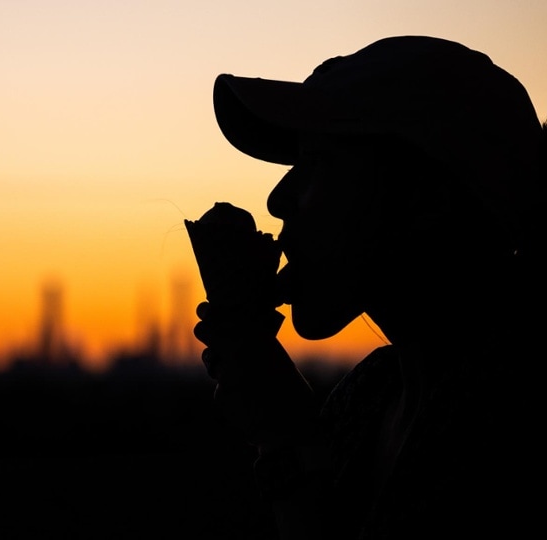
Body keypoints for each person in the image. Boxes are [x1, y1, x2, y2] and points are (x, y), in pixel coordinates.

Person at [191, 36, 546, 539]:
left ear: (427, 198)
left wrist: (286, 439)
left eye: (316, 161)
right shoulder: (369, 395)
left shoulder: (515, 417)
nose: (278, 197)